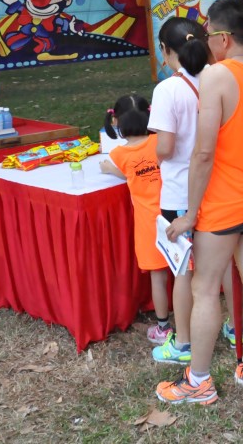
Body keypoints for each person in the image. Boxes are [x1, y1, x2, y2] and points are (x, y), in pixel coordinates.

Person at [156, 0, 243, 405]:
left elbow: (203, 153)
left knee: (204, 288)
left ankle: (198, 381)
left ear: (223, 37)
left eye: (208, 35)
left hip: (224, 201)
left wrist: (189, 214)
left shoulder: (218, 76)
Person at [147, 17, 226, 366]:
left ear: (166, 51)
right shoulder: (218, 79)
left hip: (180, 192)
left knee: (183, 270)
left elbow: (165, 147)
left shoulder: (168, 90)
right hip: (216, 186)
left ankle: (182, 344)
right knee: (221, 263)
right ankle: (232, 328)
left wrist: (153, 153)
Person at [99, 95, 168, 344]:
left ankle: (163, 327)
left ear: (116, 122)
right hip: (174, 214)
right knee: (186, 272)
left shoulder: (119, 154)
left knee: (158, 277)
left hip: (149, 224)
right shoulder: (160, 142)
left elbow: (130, 172)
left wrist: (109, 169)